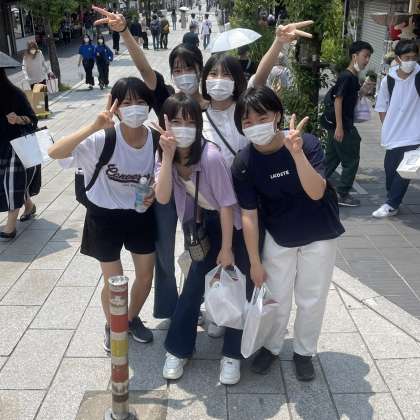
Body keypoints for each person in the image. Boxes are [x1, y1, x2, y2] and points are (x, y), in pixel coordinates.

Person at [231, 86, 344, 381]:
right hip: (279, 234)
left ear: (277, 115)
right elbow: (249, 214)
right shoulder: (244, 162)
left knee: (312, 297)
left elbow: (317, 191)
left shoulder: (306, 143)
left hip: (319, 231)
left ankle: (304, 352)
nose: (255, 126)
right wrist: (255, 262)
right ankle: (271, 346)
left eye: (262, 117)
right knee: (276, 296)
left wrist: (297, 154)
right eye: (247, 121)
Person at [48, 77, 157, 351]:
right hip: (104, 216)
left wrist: (156, 189)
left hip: (140, 213)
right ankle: (113, 325)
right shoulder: (103, 139)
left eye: (140, 101)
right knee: (114, 282)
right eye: (127, 102)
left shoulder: (155, 139)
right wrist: (94, 125)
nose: (134, 108)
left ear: (149, 106)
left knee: (146, 276)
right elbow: (55, 152)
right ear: (115, 107)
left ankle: (129, 320)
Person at [155, 93, 251, 385]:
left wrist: (226, 249)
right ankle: (178, 349)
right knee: (194, 286)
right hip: (203, 223)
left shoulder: (210, 157)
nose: (183, 129)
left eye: (190, 122)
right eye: (176, 122)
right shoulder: (166, 154)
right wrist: (167, 156)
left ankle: (232, 355)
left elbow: (227, 205)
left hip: (233, 226)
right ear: (165, 123)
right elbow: (162, 196)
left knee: (236, 287)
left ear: (198, 125)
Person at [323, 41, 373, 207]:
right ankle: (342, 194)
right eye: (365, 56)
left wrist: (362, 91)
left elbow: (348, 100)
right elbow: (338, 100)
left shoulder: (352, 76)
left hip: (337, 126)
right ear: (354, 56)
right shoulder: (347, 76)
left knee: (330, 159)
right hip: (343, 126)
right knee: (351, 160)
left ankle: (311, 186)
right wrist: (339, 126)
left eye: (369, 57)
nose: (367, 60)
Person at [373, 40, 420, 218]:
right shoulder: (389, 80)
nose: (411, 61)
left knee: (404, 170)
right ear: (398, 59)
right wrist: (387, 126)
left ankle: (391, 204)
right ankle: (392, 199)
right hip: (393, 134)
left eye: (414, 58)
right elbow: (381, 106)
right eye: (407, 58)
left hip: (414, 134)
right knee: (390, 170)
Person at [0, 68, 40, 239]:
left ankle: (10, 228)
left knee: (12, 184)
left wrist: (18, 119)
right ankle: (29, 205)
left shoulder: (15, 94)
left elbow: (33, 119)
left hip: (15, 147)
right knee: (7, 184)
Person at [22, 41, 51, 111]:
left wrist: (49, 71)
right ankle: (39, 110)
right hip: (32, 79)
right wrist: (26, 76)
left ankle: (46, 109)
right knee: (36, 96)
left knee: (44, 94)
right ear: (28, 48)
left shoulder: (39, 53)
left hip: (41, 77)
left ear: (36, 47)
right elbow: (23, 67)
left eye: (34, 47)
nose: (33, 49)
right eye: (31, 47)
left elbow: (43, 63)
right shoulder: (26, 56)